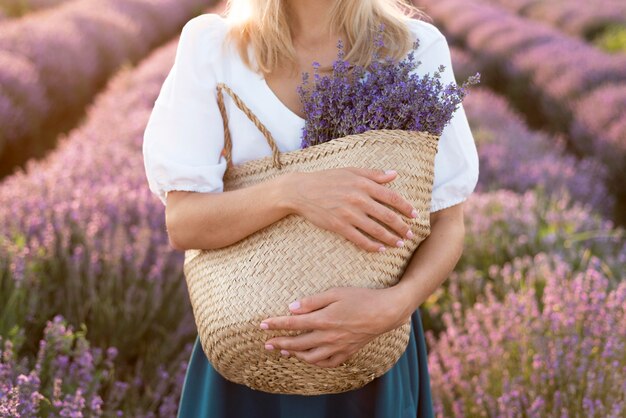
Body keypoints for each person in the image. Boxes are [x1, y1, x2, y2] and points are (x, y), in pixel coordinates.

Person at [142, 0, 479, 416]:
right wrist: (293, 192)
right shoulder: (214, 48)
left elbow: (448, 220)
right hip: (250, 346)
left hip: (370, 352)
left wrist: (394, 307)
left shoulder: (412, 48)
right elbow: (183, 223)